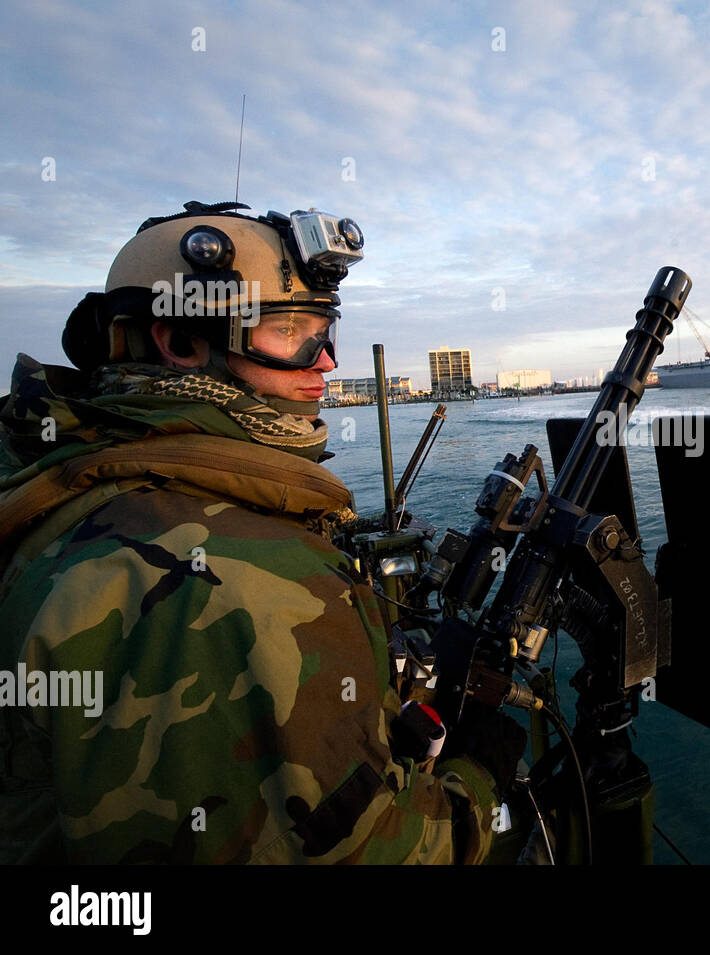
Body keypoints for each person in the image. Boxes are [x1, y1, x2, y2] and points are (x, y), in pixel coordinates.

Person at [0, 200, 521, 864]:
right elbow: (365, 853)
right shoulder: (229, 575)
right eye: (291, 331)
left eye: (327, 331)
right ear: (181, 341)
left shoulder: (77, 478)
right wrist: (475, 782)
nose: (326, 360)